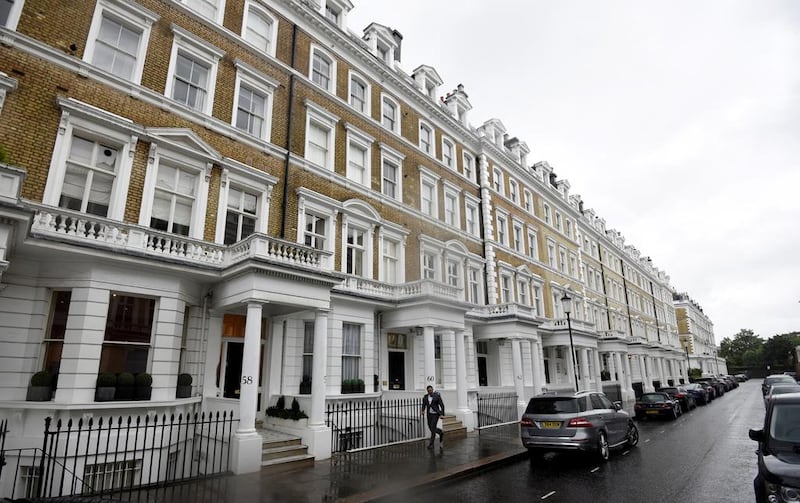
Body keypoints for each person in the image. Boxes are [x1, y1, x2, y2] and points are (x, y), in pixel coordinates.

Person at [420, 385, 445, 450]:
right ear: (427, 391)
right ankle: (440, 432)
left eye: (430, 390)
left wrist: (442, 414)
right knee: (430, 427)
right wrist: (422, 410)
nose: (430, 391)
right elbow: (424, 405)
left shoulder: (437, 396)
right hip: (429, 414)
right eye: (428, 391)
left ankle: (431, 444)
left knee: (433, 428)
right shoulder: (425, 397)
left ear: (432, 390)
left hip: (435, 414)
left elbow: (442, 405)